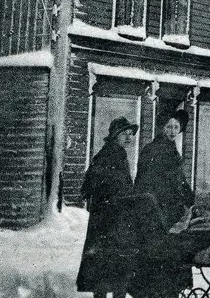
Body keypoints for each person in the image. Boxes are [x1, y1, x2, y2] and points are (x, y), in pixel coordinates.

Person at [132, 111, 194, 298]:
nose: (173, 131)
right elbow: (145, 182)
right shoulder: (153, 149)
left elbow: (178, 179)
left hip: (168, 211)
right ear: (161, 128)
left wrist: (189, 197)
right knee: (159, 254)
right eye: (169, 127)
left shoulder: (171, 149)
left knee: (168, 253)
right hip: (155, 211)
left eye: (176, 127)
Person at [77, 116, 139, 298]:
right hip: (108, 221)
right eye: (124, 134)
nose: (128, 137)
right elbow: (91, 185)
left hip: (114, 220)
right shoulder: (108, 155)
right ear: (114, 136)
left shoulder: (118, 154)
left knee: (108, 268)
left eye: (130, 134)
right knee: (111, 267)